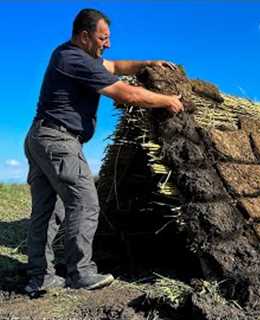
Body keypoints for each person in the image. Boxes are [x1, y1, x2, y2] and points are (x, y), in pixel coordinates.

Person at [24, 8, 184, 295]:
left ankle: (40, 277)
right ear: (84, 37)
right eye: (103, 38)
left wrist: (147, 64)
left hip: (41, 136)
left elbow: (115, 66)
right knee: (85, 202)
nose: (107, 43)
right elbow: (125, 93)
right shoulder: (73, 59)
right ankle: (81, 273)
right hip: (58, 140)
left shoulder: (77, 55)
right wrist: (166, 100)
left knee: (47, 212)